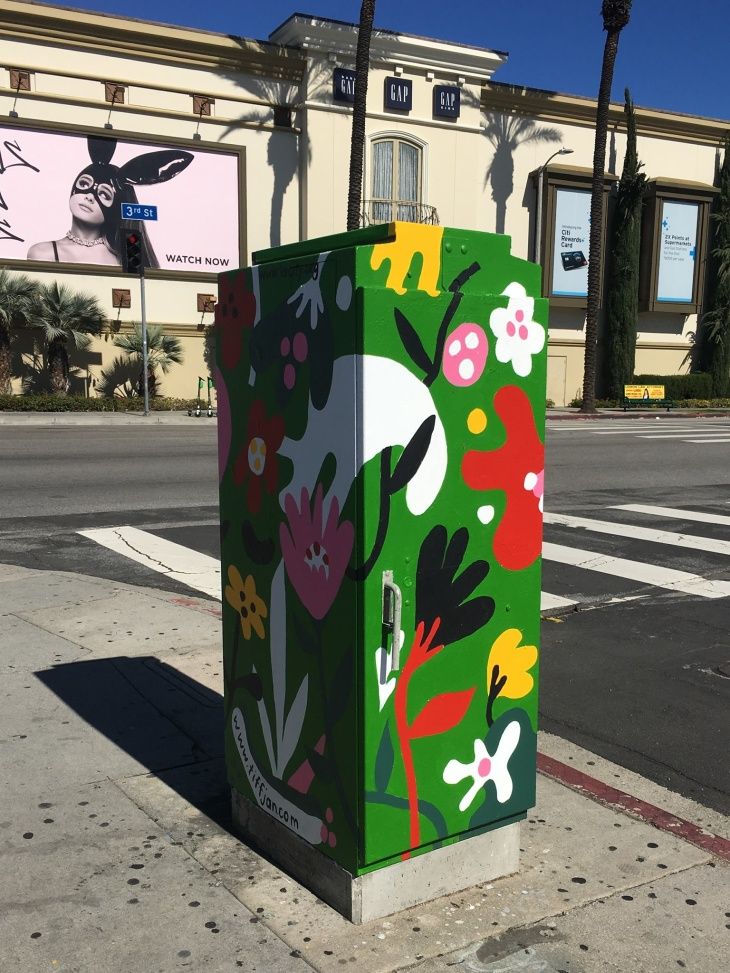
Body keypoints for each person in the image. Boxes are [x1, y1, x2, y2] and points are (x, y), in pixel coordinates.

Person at [27, 136, 193, 268]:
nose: (89, 196)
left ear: (115, 207)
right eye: (84, 184)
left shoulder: (129, 257)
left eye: (104, 195)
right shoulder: (42, 253)